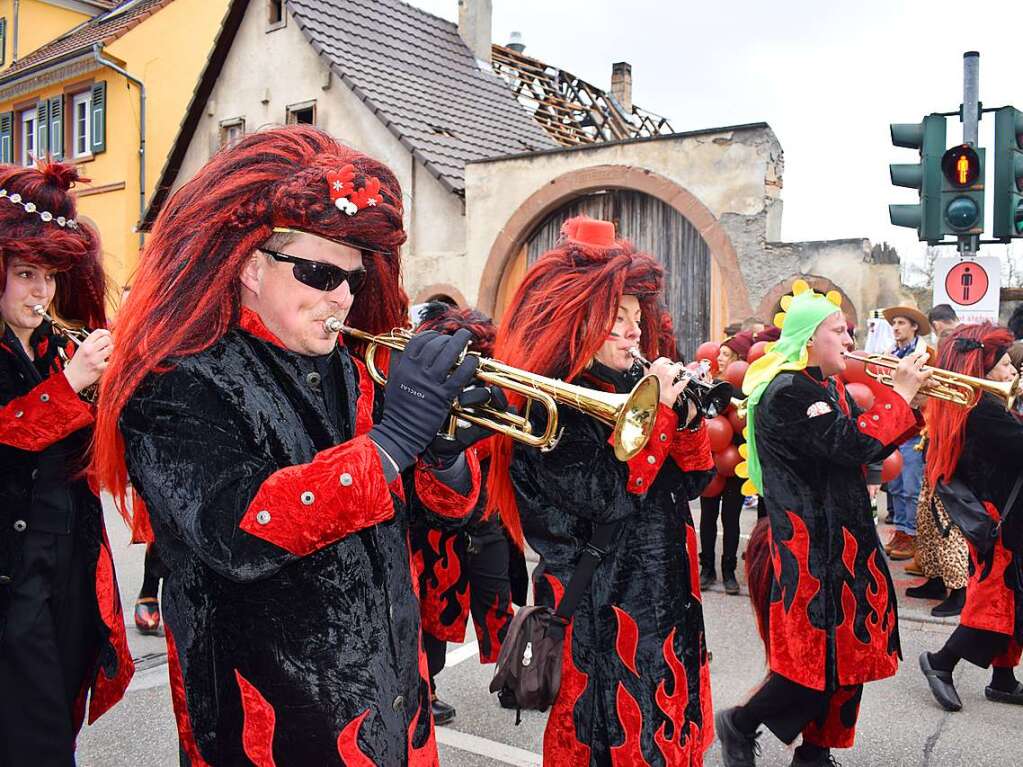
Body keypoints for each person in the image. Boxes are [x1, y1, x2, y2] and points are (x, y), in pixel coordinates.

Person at [92, 126, 494, 765]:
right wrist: (392, 442)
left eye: (352, 280)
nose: (341, 296)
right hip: (274, 722)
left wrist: (443, 452)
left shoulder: (355, 370)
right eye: (317, 272)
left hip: (390, 704)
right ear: (252, 266)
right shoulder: (176, 381)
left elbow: (441, 516)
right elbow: (238, 532)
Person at [487, 216, 716, 765]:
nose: (635, 331)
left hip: (669, 612)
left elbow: (693, 481)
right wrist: (659, 412)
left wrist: (683, 419)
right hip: (603, 624)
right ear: (575, 321)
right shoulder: (551, 410)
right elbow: (607, 497)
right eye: (617, 318)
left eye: (637, 317)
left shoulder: (631, 388)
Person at [715, 290, 928, 767]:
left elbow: (868, 449)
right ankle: (741, 722)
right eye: (839, 330)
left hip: (845, 547)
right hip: (808, 550)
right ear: (811, 339)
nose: (849, 339)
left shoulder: (824, 389)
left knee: (850, 658)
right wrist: (901, 395)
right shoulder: (789, 391)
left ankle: (816, 752)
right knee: (810, 663)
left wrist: (910, 403)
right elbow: (850, 444)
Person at [0, 161, 133, 764]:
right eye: (26, 274)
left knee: (60, 706)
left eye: (50, 276)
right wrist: (74, 385)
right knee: (35, 732)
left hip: (70, 565)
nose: (42, 293)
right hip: (13, 574)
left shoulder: (58, 343)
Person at [408, 303, 515, 726]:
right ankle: (425, 687)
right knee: (433, 616)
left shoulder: (491, 394)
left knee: (498, 603)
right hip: (436, 532)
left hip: (485, 521)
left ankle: (511, 679)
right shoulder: (427, 399)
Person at [919, 323, 1023, 711]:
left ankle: (1002, 678)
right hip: (999, 518)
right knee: (993, 600)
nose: (1011, 370)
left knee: (1012, 597)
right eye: (1003, 364)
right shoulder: (980, 411)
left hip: (1005, 515)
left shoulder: (982, 406)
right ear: (982, 367)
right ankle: (940, 662)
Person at [702, 330, 754, 594]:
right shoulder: (708, 381)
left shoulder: (745, 387)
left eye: (725, 354)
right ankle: (707, 569)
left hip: (734, 463)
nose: (719, 358)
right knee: (708, 518)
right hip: (710, 462)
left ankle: (729, 571)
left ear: (738, 359)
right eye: (719, 353)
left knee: (731, 519)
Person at [881, 305, 931, 562]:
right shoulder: (889, 354)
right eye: (894, 323)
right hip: (895, 426)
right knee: (896, 485)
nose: (896, 327)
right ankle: (901, 530)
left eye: (901, 323)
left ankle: (913, 534)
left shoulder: (925, 355)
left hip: (915, 427)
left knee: (912, 485)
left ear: (913, 327)